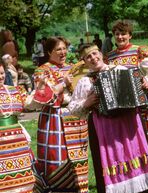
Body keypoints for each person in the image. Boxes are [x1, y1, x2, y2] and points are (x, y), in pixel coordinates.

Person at [68, 44, 148, 193]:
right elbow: (72, 108)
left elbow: (140, 84)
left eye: (95, 53)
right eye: (88, 57)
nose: (93, 58)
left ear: (101, 54)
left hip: (129, 123)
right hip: (104, 129)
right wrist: (86, 103)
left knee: (137, 155)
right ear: (84, 61)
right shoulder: (85, 81)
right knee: (109, 161)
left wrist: (144, 82)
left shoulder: (120, 69)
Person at [107, 20, 148, 177]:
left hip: (142, 99)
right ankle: (136, 169)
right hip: (121, 104)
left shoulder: (138, 51)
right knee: (128, 137)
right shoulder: (110, 56)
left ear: (130, 35)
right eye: (117, 34)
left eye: (123, 34)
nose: (120, 37)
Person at [30, 36, 88, 192]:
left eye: (64, 49)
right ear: (49, 51)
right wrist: (64, 83)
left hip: (74, 116)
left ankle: (77, 186)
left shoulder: (72, 68)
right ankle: (56, 187)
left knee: (77, 156)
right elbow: (45, 96)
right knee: (56, 156)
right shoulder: (42, 70)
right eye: (58, 49)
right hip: (53, 117)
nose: (63, 52)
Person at [0, 62, 36, 192]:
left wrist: (41, 87)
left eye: (2, 73)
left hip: (17, 141)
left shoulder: (14, 90)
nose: (0, 77)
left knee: (22, 176)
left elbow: (30, 104)